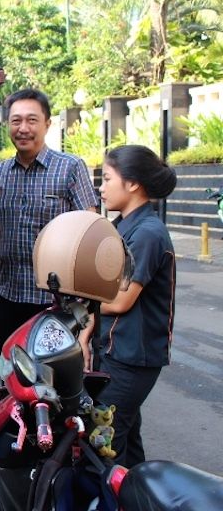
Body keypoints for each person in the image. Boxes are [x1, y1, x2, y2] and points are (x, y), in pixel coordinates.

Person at [79, 145, 177, 468]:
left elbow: (120, 300)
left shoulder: (148, 233)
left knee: (101, 444)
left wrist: (84, 309)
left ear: (132, 183)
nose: (101, 188)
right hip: (115, 352)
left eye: (107, 179)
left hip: (131, 360)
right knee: (127, 446)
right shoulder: (122, 227)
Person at [0, 88, 98, 351]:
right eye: (16, 120)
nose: (23, 128)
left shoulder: (70, 168)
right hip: (9, 297)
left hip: (58, 301)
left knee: (53, 383)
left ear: (47, 124)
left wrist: (88, 306)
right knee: (12, 373)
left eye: (31, 120)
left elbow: (90, 234)